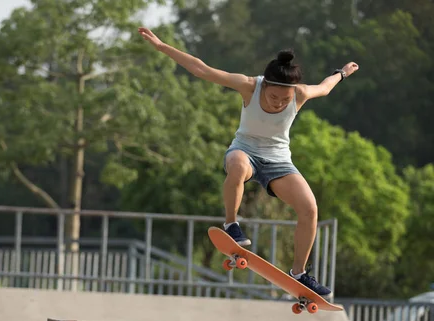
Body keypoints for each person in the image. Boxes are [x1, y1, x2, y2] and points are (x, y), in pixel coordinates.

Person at [138, 27, 359, 296]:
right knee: (239, 167)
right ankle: (232, 225)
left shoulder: (299, 93)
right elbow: (202, 69)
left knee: (310, 208)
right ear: (264, 85)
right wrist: (162, 47)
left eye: (284, 100)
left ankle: (299, 274)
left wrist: (342, 72)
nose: (278, 104)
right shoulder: (248, 86)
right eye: (273, 97)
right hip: (244, 150)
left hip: (278, 160)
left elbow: (324, 88)